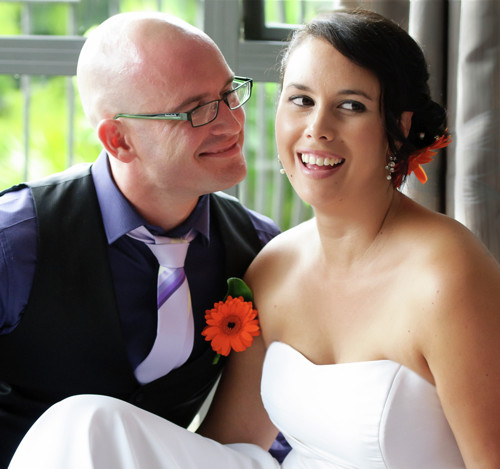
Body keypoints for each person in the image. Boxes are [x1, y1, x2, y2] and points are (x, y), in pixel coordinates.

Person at [8, 8, 500, 469]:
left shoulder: (446, 274)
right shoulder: (273, 265)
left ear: (399, 127)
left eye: (351, 106)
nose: (317, 129)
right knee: (84, 423)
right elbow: (230, 447)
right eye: (301, 100)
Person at [0, 11, 282, 468]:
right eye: (196, 110)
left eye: (229, 93)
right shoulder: (15, 243)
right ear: (119, 140)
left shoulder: (260, 248)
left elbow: (283, 416)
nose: (232, 124)